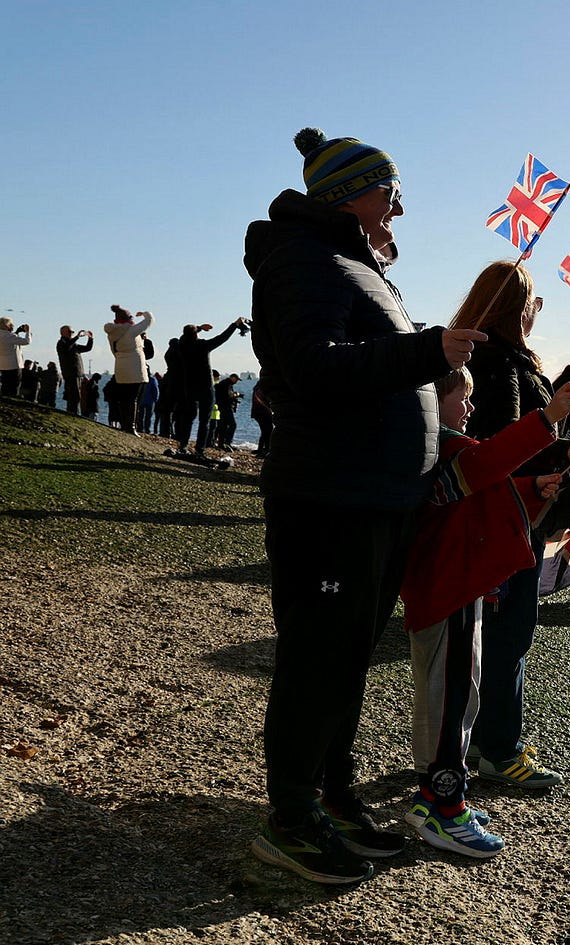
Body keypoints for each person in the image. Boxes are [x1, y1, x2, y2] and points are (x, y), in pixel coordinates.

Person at [243, 126, 486, 885]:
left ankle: (333, 796)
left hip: (375, 499)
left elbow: (366, 364)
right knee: (317, 659)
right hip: (328, 498)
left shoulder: (353, 264)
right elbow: (315, 368)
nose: (401, 210)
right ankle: (290, 817)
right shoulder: (298, 257)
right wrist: (427, 352)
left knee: (347, 661)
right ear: (350, 194)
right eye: (393, 194)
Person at [399, 367, 570, 857]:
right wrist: (548, 419)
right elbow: (487, 464)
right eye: (465, 397)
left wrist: (532, 487)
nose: (472, 408)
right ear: (436, 400)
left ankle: (441, 788)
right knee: (452, 697)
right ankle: (441, 805)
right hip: (450, 590)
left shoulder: (445, 452)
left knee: (455, 693)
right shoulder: (442, 449)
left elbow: (483, 488)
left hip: (455, 587)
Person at [454, 259, 570, 789]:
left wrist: (564, 444)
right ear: (517, 308)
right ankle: (499, 749)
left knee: (495, 635)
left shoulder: (477, 353)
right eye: (534, 303)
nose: (537, 314)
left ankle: (482, 740)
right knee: (510, 634)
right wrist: (551, 448)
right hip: (510, 519)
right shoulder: (502, 363)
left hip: (500, 514)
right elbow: (503, 441)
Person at [174, 320, 246, 455]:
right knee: (204, 421)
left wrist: (199, 328)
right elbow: (222, 338)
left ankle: (183, 446)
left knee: (188, 418)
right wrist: (234, 325)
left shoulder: (182, 346)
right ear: (196, 335)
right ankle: (199, 449)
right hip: (206, 388)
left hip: (190, 387)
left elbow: (185, 337)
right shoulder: (202, 345)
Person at [104, 305, 152, 435]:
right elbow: (149, 321)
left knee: (124, 399)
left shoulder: (112, 334)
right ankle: (131, 427)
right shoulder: (131, 330)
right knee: (133, 399)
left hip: (120, 367)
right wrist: (145, 313)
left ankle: (125, 424)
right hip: (135, 369)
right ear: (129, 319)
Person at [56, 326, 94, 414]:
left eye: (72, 332)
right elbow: (67, 347)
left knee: (76, 396)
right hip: (71, 374)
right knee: (74, 396)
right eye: (70, 331)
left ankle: (73, 412)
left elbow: (87, 348)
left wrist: (91, 339)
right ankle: (72, 413)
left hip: (78, 374)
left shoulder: (74, 345)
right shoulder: (61, 343)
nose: (71, 333)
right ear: (62, 333)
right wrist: (77, 337)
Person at [0, 319, 31, 397]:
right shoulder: (10, 336)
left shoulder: (6, 335)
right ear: (7, 326)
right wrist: (27, 332)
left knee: (5, 385)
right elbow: (26, 341)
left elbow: (9, 341)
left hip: (2, 365)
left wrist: (16, 332)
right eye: (11, 324)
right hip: (14, 365)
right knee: (14, 386)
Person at [214, 373, 242, 450]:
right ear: (232, 378)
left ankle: (221, 443)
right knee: (232, 425)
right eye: (236, 380)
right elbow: (228, 396)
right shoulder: (227, 384)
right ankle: (227, 442)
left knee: (223, 426)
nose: (236, 382)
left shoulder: (224, 384)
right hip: (225, 407)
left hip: (222, 407)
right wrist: (236, 395)